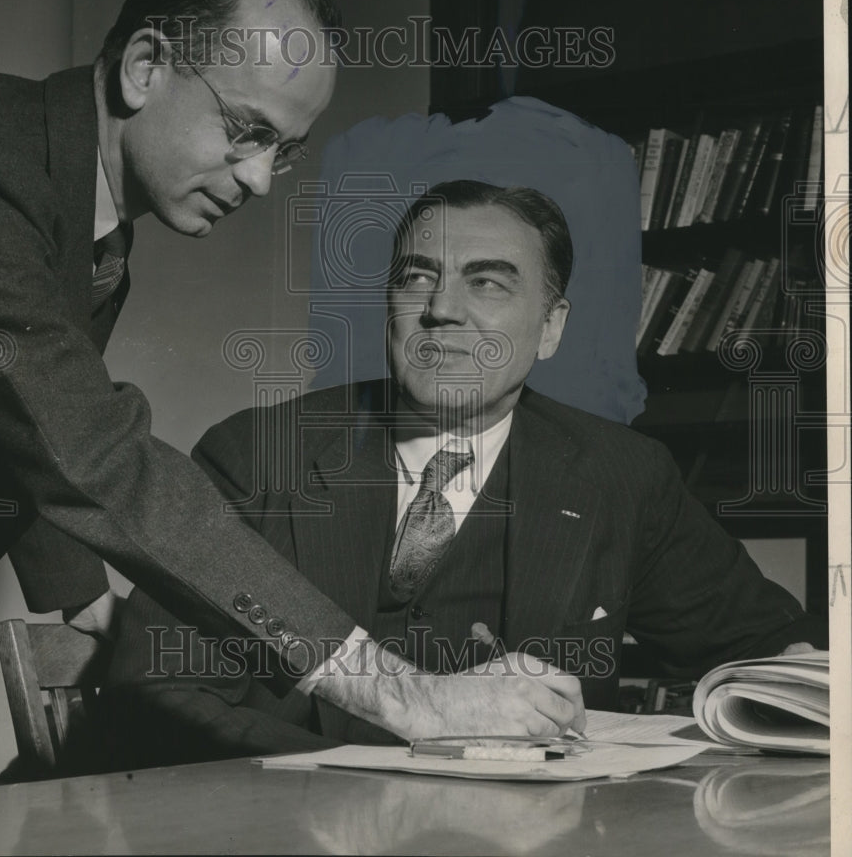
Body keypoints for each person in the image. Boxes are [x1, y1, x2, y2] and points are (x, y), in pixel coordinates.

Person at [0, 0, 582, 774]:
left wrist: (91, 612)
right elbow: (89, 453)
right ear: (147, 64)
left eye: (283, 152)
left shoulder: (79, 218)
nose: (258, 180)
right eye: (246, 130)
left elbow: (15, 421)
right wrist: (407, 692)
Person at [102, 180, 824, 765]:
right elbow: (158, 688)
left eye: (489, 284)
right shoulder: (259, 454)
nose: (443, 310)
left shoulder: (623, 475)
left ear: (550, 327)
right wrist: (363, 778)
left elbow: (767, 653)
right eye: (420, 278)